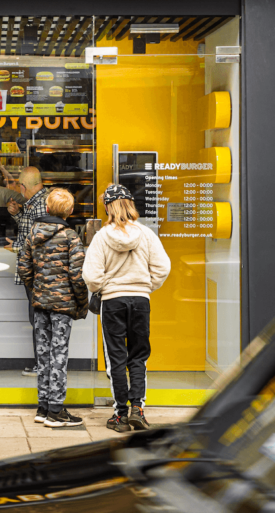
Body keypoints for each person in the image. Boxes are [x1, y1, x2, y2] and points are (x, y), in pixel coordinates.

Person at [82, 184, 170, 433]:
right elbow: (163, 267)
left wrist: (105, 287)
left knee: (116, 358)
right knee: (139, 355)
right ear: (130, 204)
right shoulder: (146, 234)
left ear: (108, 207)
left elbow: (92, 276)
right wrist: (145, 286)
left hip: (113, 301)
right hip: (141, 300)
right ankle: (138, 410)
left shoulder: (101, 237)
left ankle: (120, 415)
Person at [17, 188, 88, 428]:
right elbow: (78, 276)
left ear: (46, 208)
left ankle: (43, 407)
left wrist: (37, 289)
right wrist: (81, 302)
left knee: (43, 354)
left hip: (40, 303)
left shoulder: (32, 234)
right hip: (62, 305)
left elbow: (23, 268)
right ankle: (56, 410)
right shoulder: (70, 237)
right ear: (69, 211)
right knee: (59, 355)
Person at [7, 166, 50, 377]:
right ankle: (41, 363)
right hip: (35, 270)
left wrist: (16, 247)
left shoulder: (40, 204)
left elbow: (41, 240)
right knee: (38, 318)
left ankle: (42, 364)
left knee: (39, 319)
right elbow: (31, 228)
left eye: (19, 186)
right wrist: (18, 215)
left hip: (37, 271)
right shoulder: (37, 203)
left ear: (23, 186)